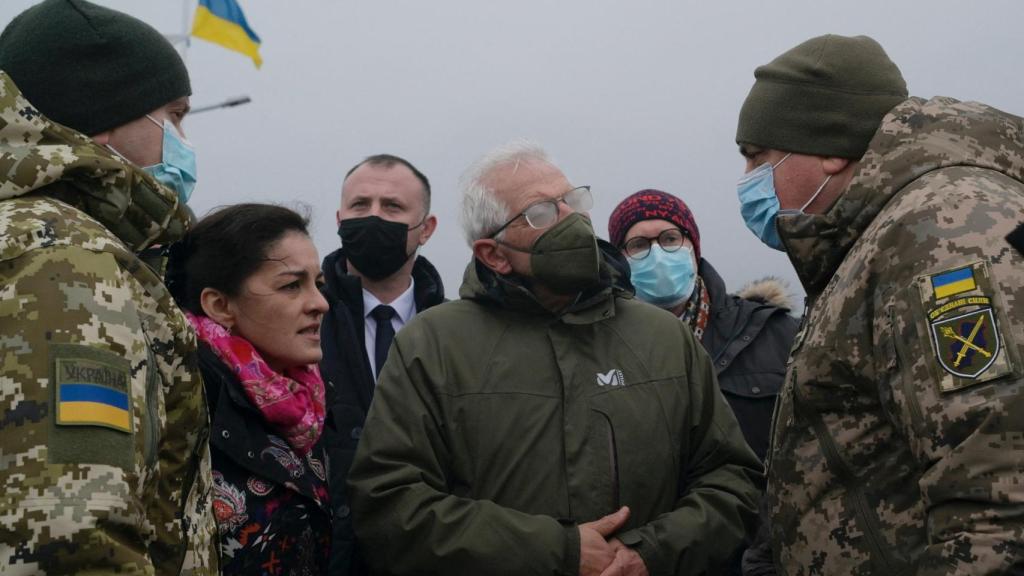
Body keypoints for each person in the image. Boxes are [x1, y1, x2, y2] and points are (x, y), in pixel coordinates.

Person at [348, 141, 762, 576]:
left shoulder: (664, 338)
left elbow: (733, 482)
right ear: (494, 254)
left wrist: (648, 554)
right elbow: (388, 504)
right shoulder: (431, 346)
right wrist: (555, 551)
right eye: (541, 213)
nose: (573, 219)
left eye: (572, 201)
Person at [734, 34, 1024, 574]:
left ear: (828, 150)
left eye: (757, 157)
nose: (748, 181)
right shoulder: (875, 239)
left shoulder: (942, 233)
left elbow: (999, 489)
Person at [0, 1, 217, 573]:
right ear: (100, 115)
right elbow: (67, 528)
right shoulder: (63, 256)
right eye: (173, 114)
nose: (182, 137)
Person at [166, 203, 333, 575]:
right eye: (292, 286)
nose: (320, 303)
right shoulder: (180, 401)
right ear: (220, 305)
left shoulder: (306, 402)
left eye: (318, 284)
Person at [319, 154, 444, 574]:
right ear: (339, 218)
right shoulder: (300, 321)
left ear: (425, 229)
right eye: (360, 205)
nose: (373, 217)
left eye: (392, 207)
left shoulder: (455, 333)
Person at [607, 189, 798, 462]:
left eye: (670, 239)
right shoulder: (602, 345)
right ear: (620, 260)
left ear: (693, 249)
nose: (657, 254)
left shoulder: (772, 332)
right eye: (639, 245)